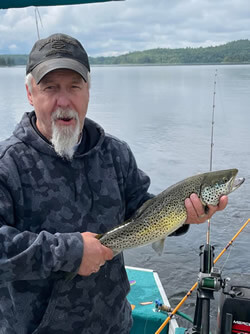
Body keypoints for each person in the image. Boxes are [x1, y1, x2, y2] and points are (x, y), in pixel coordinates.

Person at [0, 33, 228, 334]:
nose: (64, 101)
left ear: (88, 91)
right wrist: (70, 252)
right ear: (30, 93)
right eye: (50, 88)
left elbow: (144, 210)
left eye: (74, 87)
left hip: (114, 325)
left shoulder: (115, 153)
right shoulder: (8, 165)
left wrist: (185, 215)